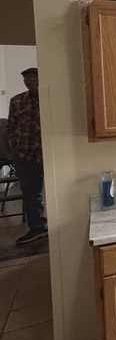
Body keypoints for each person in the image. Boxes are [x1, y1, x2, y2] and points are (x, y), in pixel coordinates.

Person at [7, 67, 48, 244]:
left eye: (34, 78)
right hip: (25, 153)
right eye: (27, 79)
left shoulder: (51, 98)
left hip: (49, 152)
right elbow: (10, 126)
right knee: (31, 192)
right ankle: (38, 227)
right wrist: (15, 147)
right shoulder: (17, 101)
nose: (30, 82)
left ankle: (61, 226)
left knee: (59, 189)